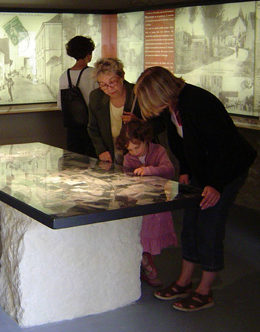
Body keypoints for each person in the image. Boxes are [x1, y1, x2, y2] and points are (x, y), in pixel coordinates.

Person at [134, 66, 257, 312]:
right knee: (190, 223)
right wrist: (186, 171)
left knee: (209, 225)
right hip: (204, 172)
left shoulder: (198, 102)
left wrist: (216, 185)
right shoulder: (174, 106)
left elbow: (225, 148)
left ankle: (204, 291)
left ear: (161, 92)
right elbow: (183, 144)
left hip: (227, 171)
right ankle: (184, 281)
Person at [116, 119, 177, 287]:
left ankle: (148, 267)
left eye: (137, 147)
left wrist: (149, 170)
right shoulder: (129, 158)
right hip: (139, 203)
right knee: (139, 236)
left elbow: (169, 170)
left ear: (146, 140)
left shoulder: (158, 151)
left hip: (156, 205)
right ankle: (145, 267)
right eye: (130, 149)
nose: (134, 152)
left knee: (149, 237)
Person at [87, 57, 144, 164]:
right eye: (102, 84)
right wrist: (101, 150)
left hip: (137, 155)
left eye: (112, 82)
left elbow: (157, 124)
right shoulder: (96, 97)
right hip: (110, 154)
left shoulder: (137, 94)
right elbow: (93, 128)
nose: (109, 88)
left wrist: (138, 121)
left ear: (122, 76)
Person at [58, 36, 97, 157]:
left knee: (75, 160)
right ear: (88, 53)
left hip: (72, 127)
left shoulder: (64, 75)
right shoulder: (94, 74)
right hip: (92, 125)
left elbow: (60, 105)